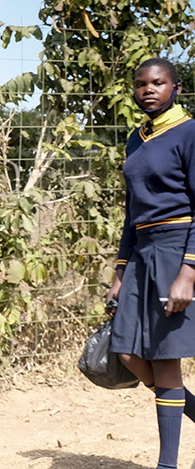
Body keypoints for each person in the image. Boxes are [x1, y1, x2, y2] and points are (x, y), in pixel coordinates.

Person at [107, 57, 195, 469]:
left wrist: (188, 273)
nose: (149, 89)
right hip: (142, 249)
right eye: (141, 83)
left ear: (175, 88)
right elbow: (132, 212)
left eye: (158, 83)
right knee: (125, 348)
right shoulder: (136, 139)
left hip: (178, 249)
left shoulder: (190, 132)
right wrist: (120, 271)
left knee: (164, 360)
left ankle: (167, 465)